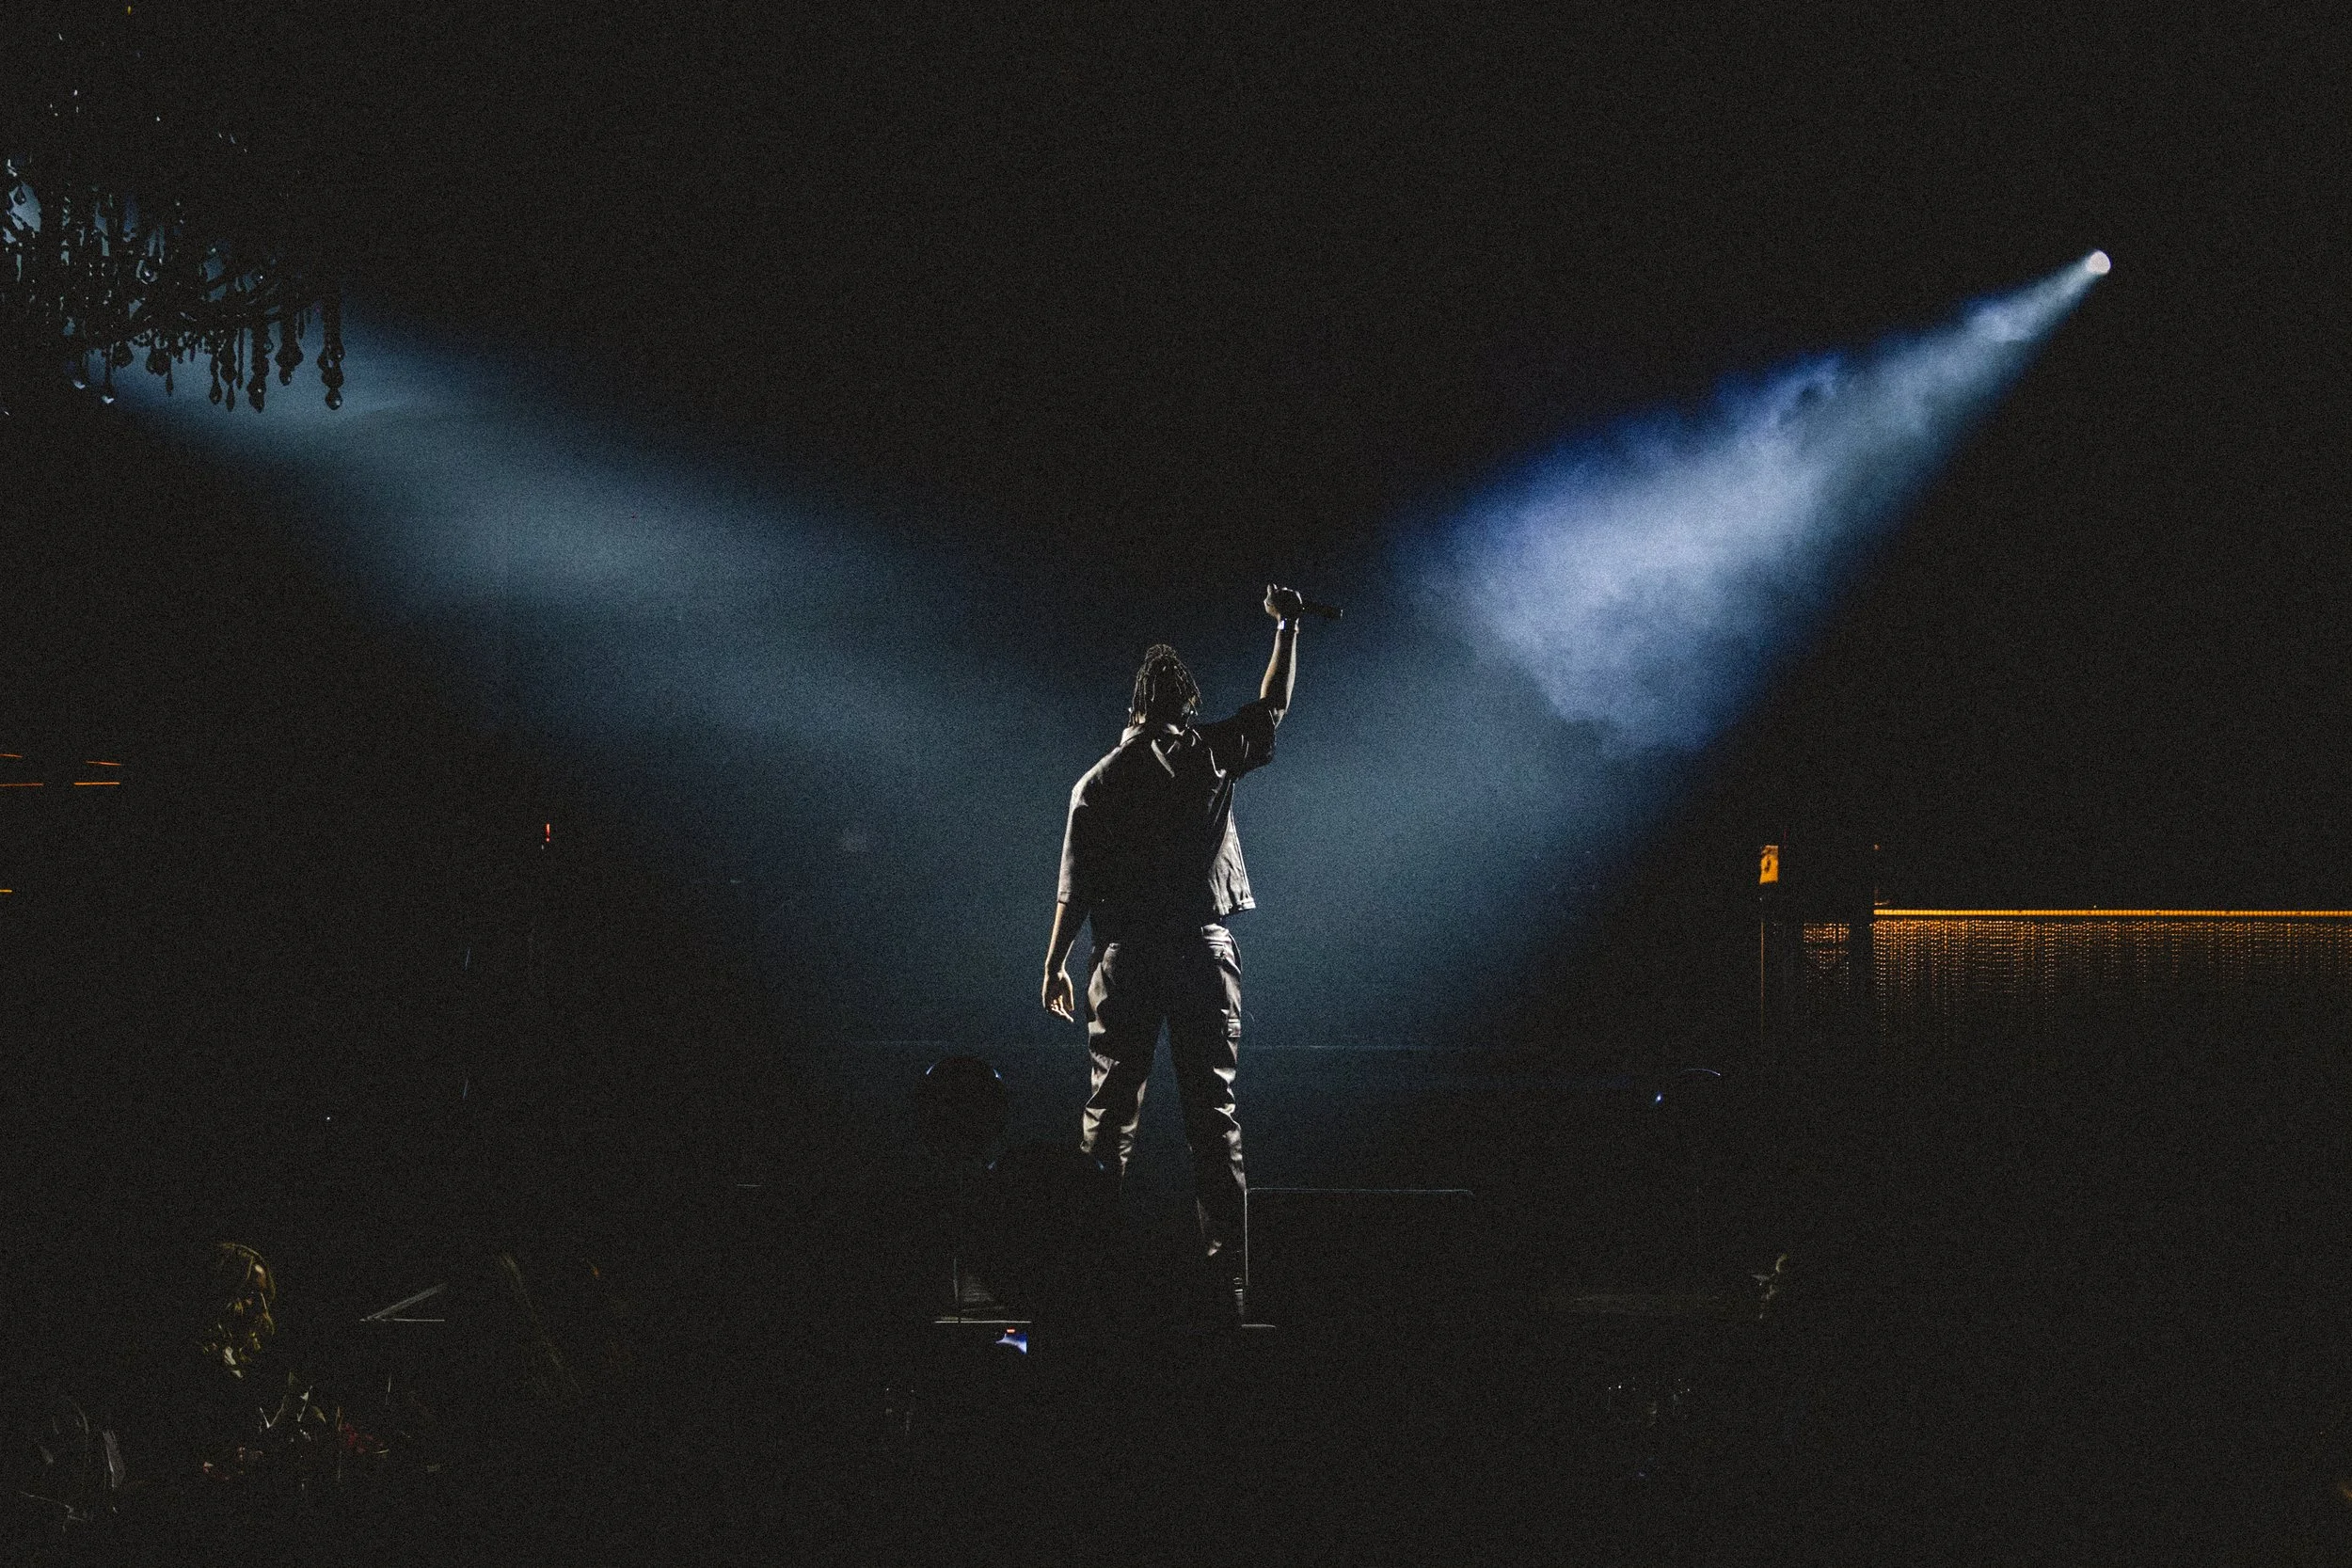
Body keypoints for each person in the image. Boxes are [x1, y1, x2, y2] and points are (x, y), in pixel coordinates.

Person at [1041, 584, 1304, 1326]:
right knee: (1214, 1119)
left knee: (1108, 1117)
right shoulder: (1212, 754)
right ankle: (1230, 1288)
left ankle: (1085, 1283)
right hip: (1200, 947)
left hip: (1127, 955)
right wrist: (1285, 627)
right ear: (1186, 702)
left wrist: (1055, 961)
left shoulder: (1096, 782)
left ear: (1134, 706)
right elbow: (1273, 705)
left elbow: (1076, 886)